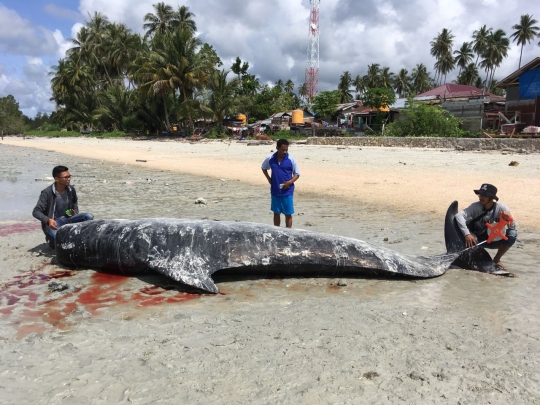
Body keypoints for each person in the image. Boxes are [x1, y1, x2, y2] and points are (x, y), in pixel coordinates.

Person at [455, 183, 518, 270]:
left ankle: (496, 259)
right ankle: (473, 261)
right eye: (480, 194)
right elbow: (459, 216)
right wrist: (467, 234)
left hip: (496, 240)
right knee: (466, 235)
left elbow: (514, 227)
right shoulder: (475, 206)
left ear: (491, 198)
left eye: (485, 195)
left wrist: (509, 219)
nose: (481, 197)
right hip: (478, 240)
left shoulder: (502, 208)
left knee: (512, 234)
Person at [32, 165, 94, 249]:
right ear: (57, 179)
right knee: (55, 236)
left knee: (89, 216)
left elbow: (75, 203)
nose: (69, 179)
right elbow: (36, 211)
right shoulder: (47, 193)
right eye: (66, 177)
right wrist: (48, 220)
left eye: (69, 176)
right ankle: (56, 241)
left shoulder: (71, 189)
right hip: (55, 223)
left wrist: (74, 211)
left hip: (68, 219)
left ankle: (73, 239)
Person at [261, 139, 300, 228]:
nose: (284, 151)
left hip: (287, 191)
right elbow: (264, 168)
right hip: (275, 190)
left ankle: (288, 233)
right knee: (276, 213)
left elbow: (297, 174)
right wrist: (269, 179)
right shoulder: (270, 158)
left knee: (288, 213)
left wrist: (290, 182)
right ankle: (276, 232)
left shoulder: (291, 159)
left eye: (286, 149)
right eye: (282, 149)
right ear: (277, 148)